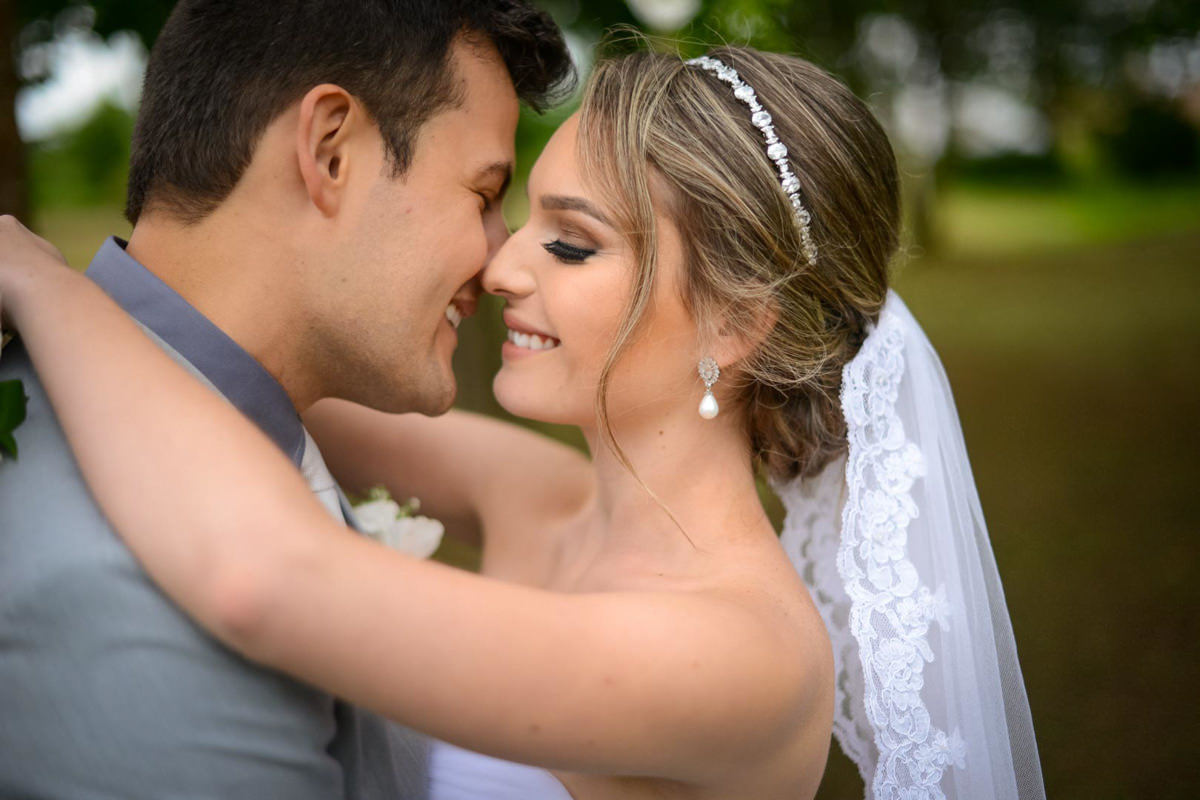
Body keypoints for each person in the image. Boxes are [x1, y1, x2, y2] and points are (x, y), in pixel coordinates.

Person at [0, 44, 1045, 800]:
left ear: (733, 319)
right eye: (511, 209)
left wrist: (43, 287)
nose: (499, 267)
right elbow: (265, 360)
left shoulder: (744, 656)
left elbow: (261, 578)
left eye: (572, 244)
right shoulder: (538, 495)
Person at [0, 0, 571, 797]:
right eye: (482, 194)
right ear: (330, 151)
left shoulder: (242, 407)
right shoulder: (124, 588)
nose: (498, 260)